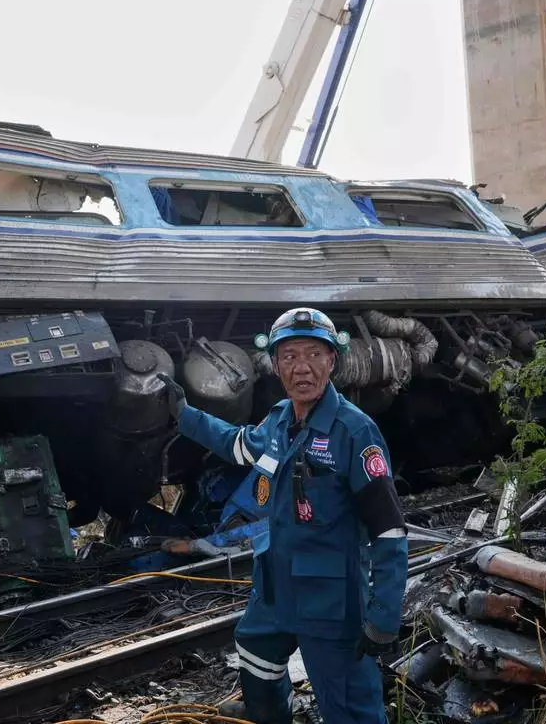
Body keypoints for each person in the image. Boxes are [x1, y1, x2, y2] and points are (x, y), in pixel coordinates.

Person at [158, 307, 408, 723]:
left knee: (348, 705)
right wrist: (186, 416)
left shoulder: (354, 431)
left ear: (332, 361)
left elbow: (388, 529)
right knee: (255, 653)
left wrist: (384, 617)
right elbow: (238, 445)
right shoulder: (278, 420)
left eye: (314, 354)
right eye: (289, 356)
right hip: (274, 585)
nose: (302, 367)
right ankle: (269, 713)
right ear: (275, 366)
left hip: (329, 600)